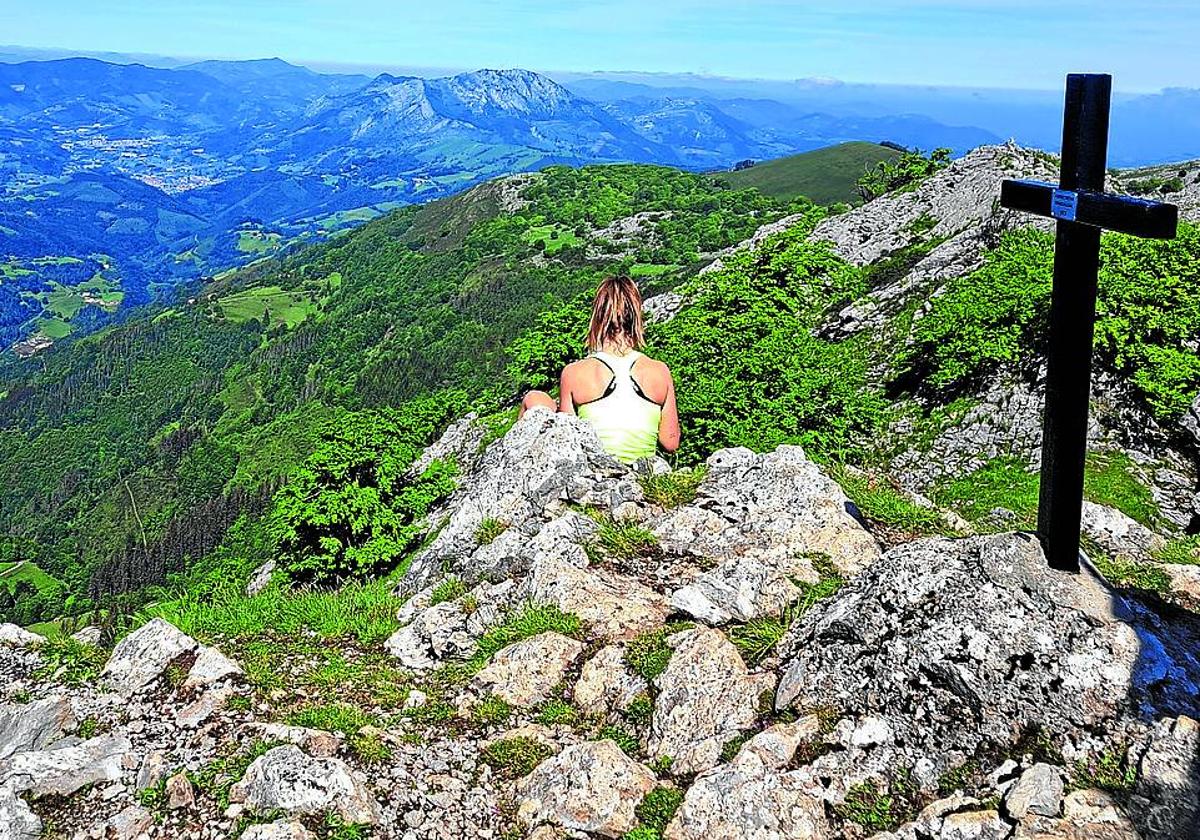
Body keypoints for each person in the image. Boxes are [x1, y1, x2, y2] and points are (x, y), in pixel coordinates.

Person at [520, 275, 681, 463]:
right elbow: (670, 443)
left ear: (598, 318)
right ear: (636, 317)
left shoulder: (574, 372)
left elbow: (566, 437)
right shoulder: (659, 371)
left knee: (534, 398)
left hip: (595, 474)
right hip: (640, 475)